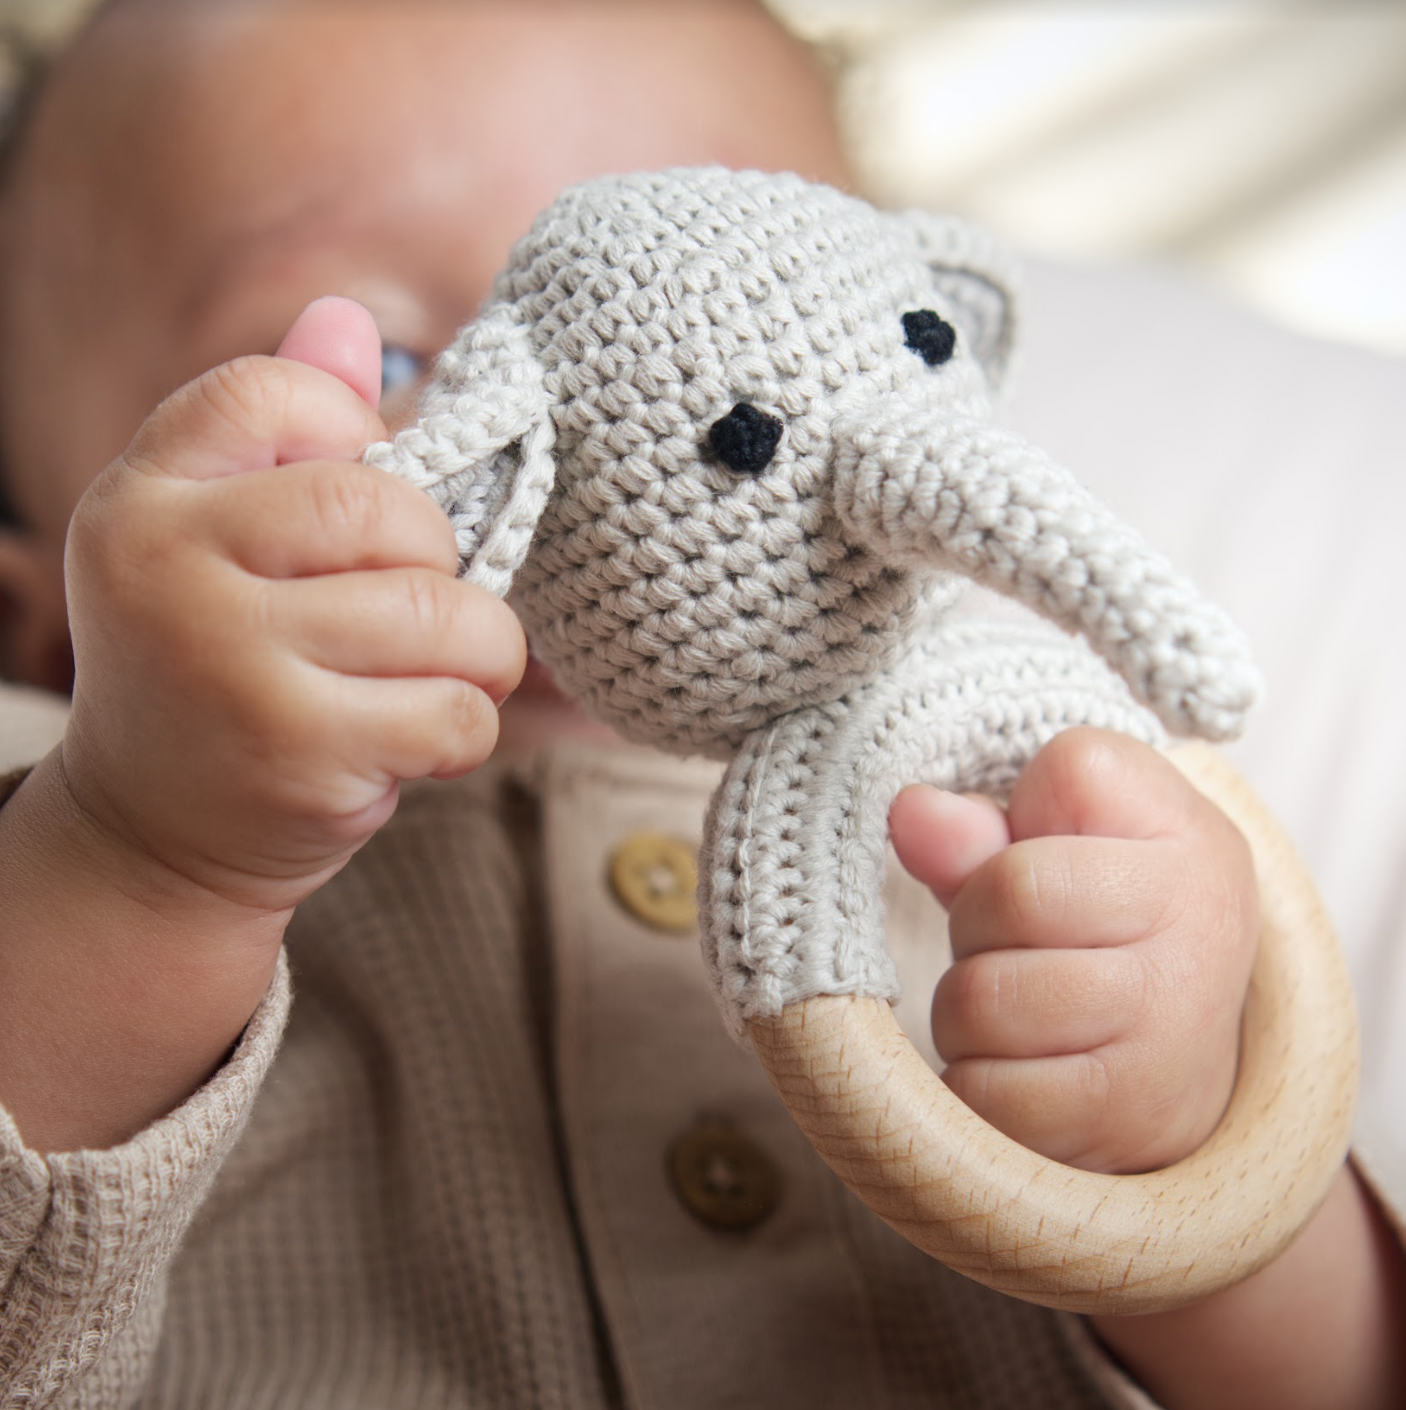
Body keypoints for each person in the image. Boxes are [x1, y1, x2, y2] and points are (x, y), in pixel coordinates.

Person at [0, 1, 1401, 1407]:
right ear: (43, 618)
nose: (595, 458)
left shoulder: (999, 812)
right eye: (400, 363)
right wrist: (146, 854)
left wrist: (1180, 1138)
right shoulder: (74, 842)